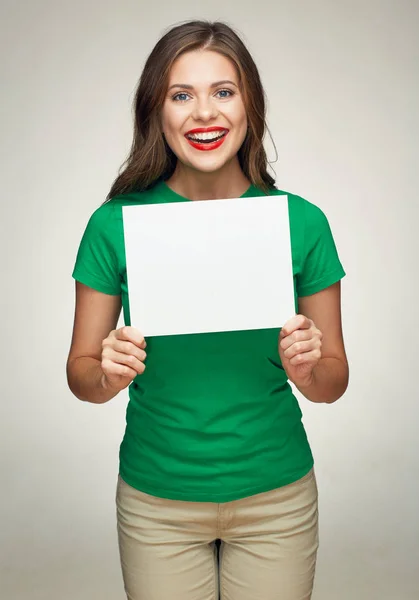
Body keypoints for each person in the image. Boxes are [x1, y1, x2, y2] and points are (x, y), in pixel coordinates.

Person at [66, 19, 349, 600]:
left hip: (277, 499)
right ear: (157, 112)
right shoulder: (113, 224)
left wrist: (308, 368)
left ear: (250, 106)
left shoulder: (303, 222)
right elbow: (82, 376)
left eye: (223, 91)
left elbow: (332, 382)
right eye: (180, 95)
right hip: (156, 504)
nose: (204, 113)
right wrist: (106, 370)